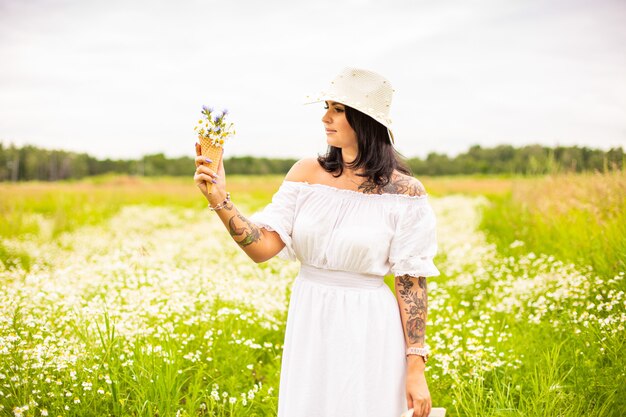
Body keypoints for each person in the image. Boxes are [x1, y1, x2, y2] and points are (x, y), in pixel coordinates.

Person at [193, 67, 440, 417]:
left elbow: (411, 282)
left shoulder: (404, 192)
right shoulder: (306, 173)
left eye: (338, 109)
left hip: (371, 324)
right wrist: (219, 198)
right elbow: (261, 248)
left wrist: (415, 367)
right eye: (327, 107)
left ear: (365, 119)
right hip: (311, 317)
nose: (325, 117)